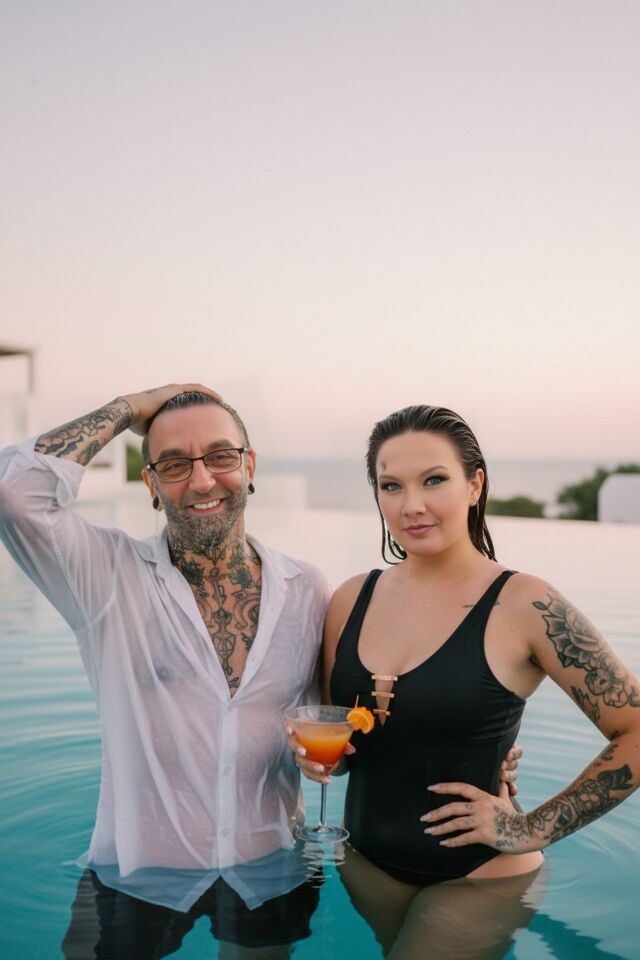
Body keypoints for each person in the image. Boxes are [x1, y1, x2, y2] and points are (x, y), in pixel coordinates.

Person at [291, 404, 640, 959]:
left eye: (434, 480)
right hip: (365, 865)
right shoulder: (350, 599)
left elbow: (635, 728)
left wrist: (531, 829)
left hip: (482, 876)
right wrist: (318, 759)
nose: (411, 505)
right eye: (391, 485)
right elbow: (347, 745)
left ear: (475, 485)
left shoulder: (525, 604)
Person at [0, 385, 330, 959]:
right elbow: (14, 492)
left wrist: (332, 760)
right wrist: (130, 407)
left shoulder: (308, 590)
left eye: (220, 457)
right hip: (137, 874)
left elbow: (326, 729)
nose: (201, 481)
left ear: (249, 466)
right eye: (174, 465)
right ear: (151, 484)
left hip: (269, 867)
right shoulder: (106, 577)